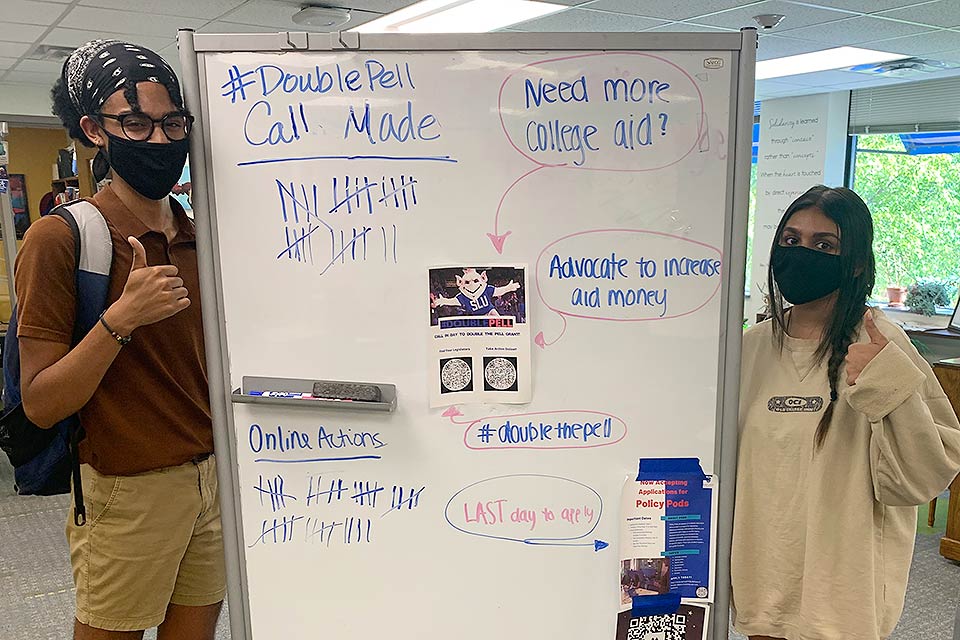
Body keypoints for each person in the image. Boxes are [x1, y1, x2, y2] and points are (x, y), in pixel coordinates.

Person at [15, 40, 224, 639]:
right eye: (135, 122)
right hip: (125, 493)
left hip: (213, 482)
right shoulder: (60, 240)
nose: (159, 140)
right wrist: (120, 319)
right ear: (94, 129)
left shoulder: (200, 235)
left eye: (173, 123)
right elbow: (42, 401)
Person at [731, 185, 960, 640]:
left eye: (824, 245)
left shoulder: (882, 346)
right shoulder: (750, 349)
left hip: (841, 596)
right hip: (763, 582)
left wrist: (883, 385)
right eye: (791, 240)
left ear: (855, 262)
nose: (802, 254)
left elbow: (924, 475)